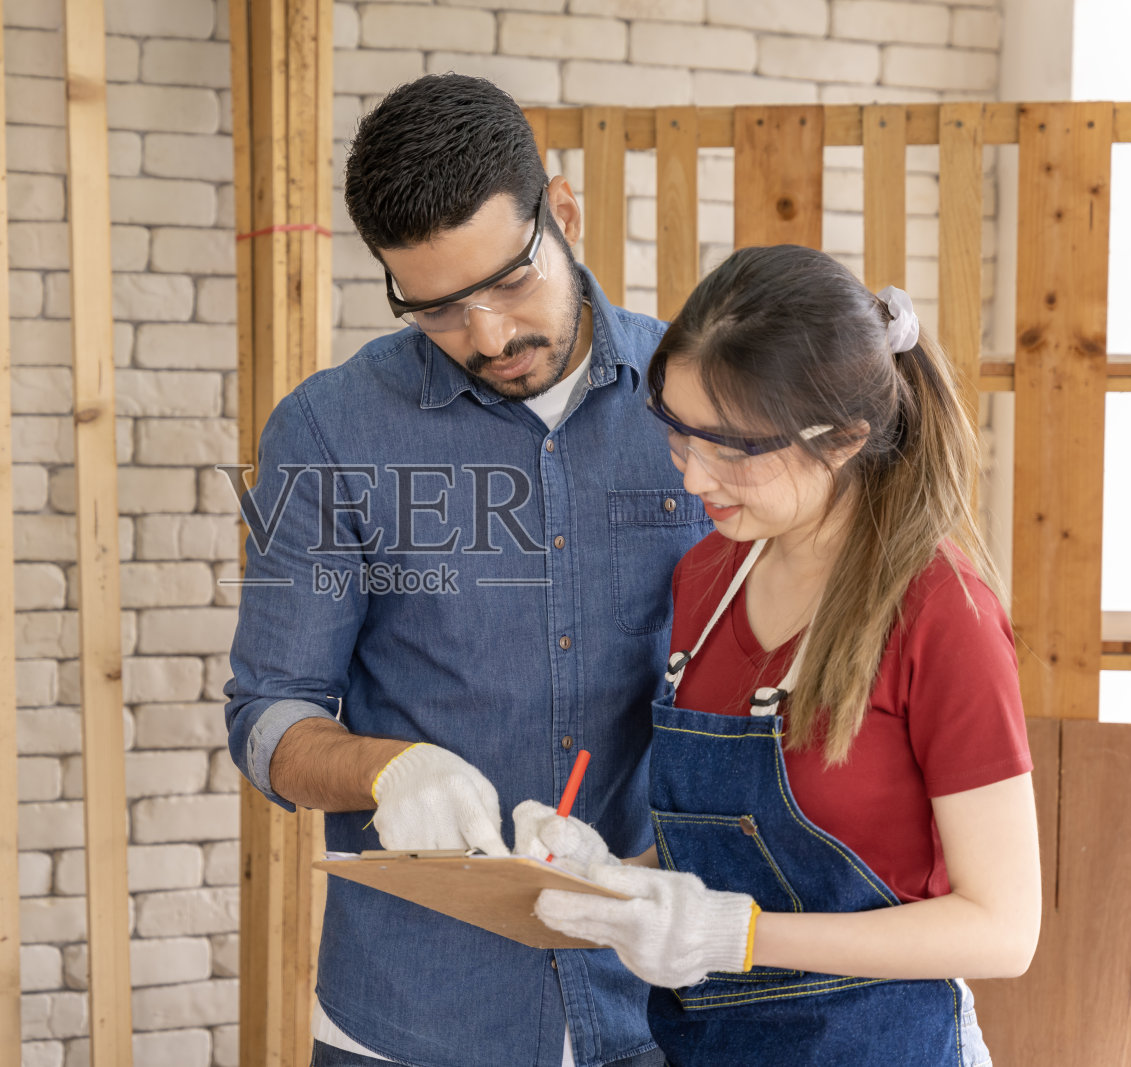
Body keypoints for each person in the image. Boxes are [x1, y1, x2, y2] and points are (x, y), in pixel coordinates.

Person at [224, 74, 710, 1067]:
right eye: (438, 309)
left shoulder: (697, 400)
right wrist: (384, 766)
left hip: (654, 1003)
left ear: (562, 211)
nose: (487, 336)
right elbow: (268, 715)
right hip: (412, 1013)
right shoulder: (326, 432)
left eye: (509, 283)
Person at [517, 244, 1040, 1065]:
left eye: (730, 449)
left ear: (843, 439)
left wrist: (741, 935)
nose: (694, 480)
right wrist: (618, 881)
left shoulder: (943, 612)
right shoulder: (705, 577)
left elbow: (1003, 928)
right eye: (679, 436)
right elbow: (729, 860)